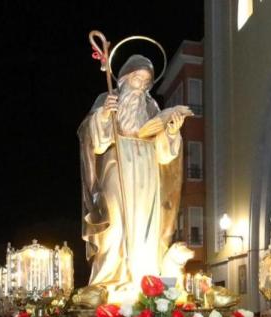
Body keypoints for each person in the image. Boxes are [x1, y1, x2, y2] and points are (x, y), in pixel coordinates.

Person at [80, 54, 191, 294]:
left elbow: (164, 155)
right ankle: (109, 279)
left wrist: (171, 131)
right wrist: (104, 115)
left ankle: (143, 280)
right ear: (125, 78)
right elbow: (95, 142)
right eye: (137, 79)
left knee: (145, 225)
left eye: (146, 82)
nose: (140, 86)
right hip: (116, 166)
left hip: (147, 172)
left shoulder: (151, 106)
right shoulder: (108, 99)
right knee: (115, 223)